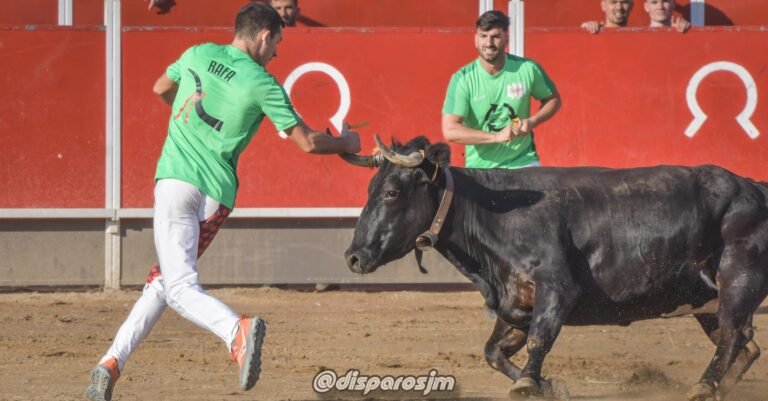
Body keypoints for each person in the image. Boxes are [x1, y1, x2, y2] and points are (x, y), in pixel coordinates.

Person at [84, 3, 360, 401]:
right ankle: (111, 362)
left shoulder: (197, 53)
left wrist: (190, 127)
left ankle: (235, 331)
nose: (277, 53)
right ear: (265, 35)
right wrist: (346, 143)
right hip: (216, 196)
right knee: (165, 282)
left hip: (176, 181)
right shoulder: (264, 84)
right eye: (278, 43)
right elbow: (308, 141)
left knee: (176, 285)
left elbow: (161, 88)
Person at [442, 10, 561, 169]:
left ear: (507, 38)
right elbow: (450, 130)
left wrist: (532, 121)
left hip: (523, 162)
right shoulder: (462, 79)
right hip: (481, 169)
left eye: (495, 36)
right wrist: (495, 137)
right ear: (476, 39)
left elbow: (553, 99)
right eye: (483, 36)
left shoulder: (528, 69)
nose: (489, 43)